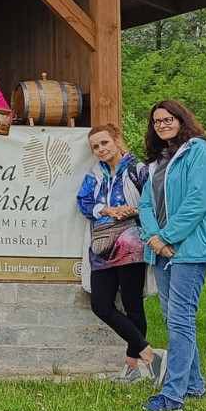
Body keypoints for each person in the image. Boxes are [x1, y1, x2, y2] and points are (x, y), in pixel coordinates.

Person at [139, 99, 206, 411]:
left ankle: (173, 395)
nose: (162, 124)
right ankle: (194, 384)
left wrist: (167, 236)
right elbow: (146, 204)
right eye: (157, 121)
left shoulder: (198, 150)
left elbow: (198, 200)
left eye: (168, 119)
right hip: (162, 249)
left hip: (190, 248)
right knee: (173, 318)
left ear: (181, 119)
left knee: (180, 318)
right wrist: (155, 238)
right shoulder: (158, 160)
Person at [76, 124, 161, 385]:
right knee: (101, 304)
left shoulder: (138, 170)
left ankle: (131, 365)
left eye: (105, 143)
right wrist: (107, 210)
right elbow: (83, 201)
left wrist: (132, 210)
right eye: (95, 146)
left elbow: (154, 202)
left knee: (132, 303)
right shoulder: (94, 174)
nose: (101, 149)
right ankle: (149, 354)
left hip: (130, 243)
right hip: (102, 244)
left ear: (116, 140)